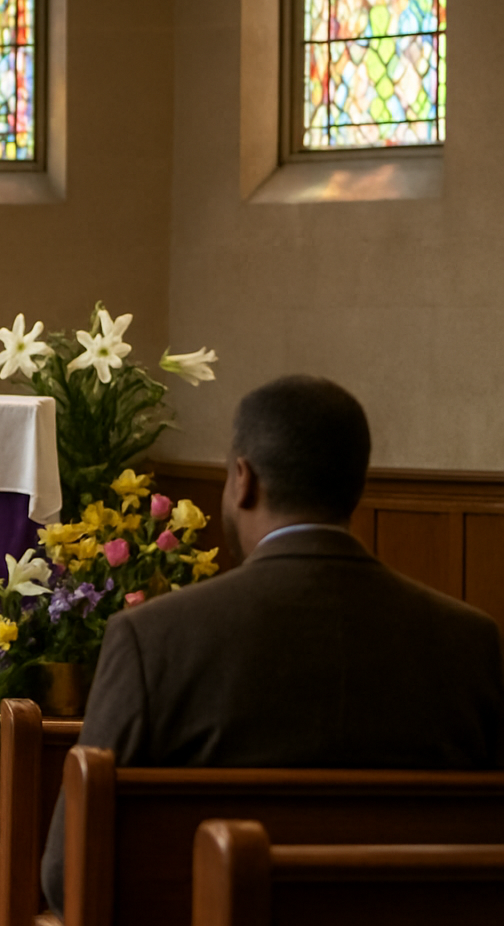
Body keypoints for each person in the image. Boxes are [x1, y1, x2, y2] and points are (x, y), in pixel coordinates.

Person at [40, 375, 504, 918]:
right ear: (355, 484)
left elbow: (67, 874)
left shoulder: (154, 638)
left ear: (243, 479)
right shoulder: (471, 643)